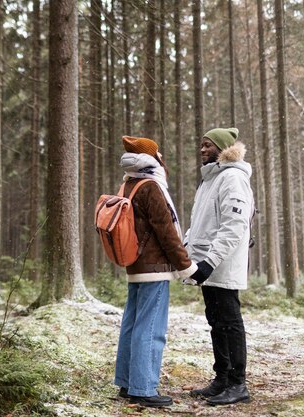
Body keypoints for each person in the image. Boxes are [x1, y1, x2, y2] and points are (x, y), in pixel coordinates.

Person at [114, 136, 198, 408]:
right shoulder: (151, 186)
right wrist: (186, 266)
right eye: (158, 153)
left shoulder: (129, 183)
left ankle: (127, 383)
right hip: (155, 267)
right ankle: (143, 388)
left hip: (136, 264)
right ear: (151, 158)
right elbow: (166, 232)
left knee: (132, 324)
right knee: (151, 328)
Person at [184, 127, 254, 405]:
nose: (202, 150)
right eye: (201, 145)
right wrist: (188, 252)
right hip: (205, 265)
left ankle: (238, 384)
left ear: (223, 149)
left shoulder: (233, 178)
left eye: (208, 145)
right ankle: (222, 378)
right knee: (216, 322)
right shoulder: (210, 180)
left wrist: (210, 262)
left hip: (221, 265)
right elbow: (200, 223)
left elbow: (234, 225)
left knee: (230, 322)